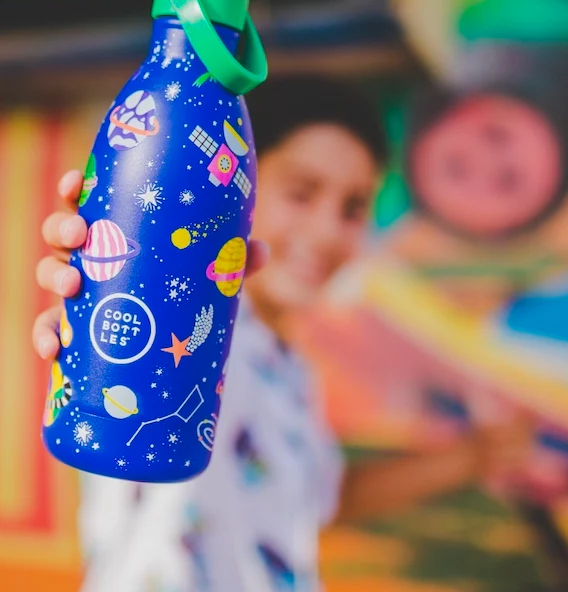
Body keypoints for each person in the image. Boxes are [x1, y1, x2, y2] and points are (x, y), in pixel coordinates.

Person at [33, 76, 533, 592]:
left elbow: (320, 501)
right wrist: (108, 284)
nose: (327, 231)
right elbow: (142, 343)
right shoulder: (200, 335)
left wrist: (472, 458)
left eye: (353, 208)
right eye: (301, 193)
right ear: (236, 185)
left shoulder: (291, 370)